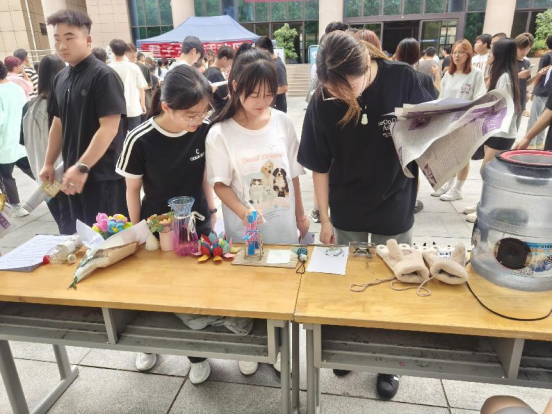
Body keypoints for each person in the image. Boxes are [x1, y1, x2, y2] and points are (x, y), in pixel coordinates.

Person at [298, 31, 433, 400]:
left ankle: (390, 361)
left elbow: (436, 126)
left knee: (396, 279)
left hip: (395, 198)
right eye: (333, 89)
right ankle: (349, 348)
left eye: (349, 87)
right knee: (348, 281)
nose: (342, 96)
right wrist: (325, 219)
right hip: (347, 204)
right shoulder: (322, 98)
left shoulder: (403, 78)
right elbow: (319, 164)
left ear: (366, 65)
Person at [116, 65, 228, 381]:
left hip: (198, 220)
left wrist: (212, 210)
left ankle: (196, 356)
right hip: (157, 226)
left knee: (194, 291)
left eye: (203, 112)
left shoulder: (204, 130)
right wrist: (137, 232)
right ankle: (148, 345)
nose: (198, 120)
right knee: (156, 291)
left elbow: (204, 175)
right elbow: (132, 189)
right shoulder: (140, 138)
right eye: (190, 115)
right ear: (166, 107)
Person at [41, 9, 128, 233]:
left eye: (69, 38)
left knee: (107, 240)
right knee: (76, 236)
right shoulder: (60, 77)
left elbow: (109, 128)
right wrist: (49, 163)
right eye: (57, 39)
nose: (62, 46)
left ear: (88, 40)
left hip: (102, 176)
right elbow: (58, 123)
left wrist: (83, 166)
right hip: (72, 174)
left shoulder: (103, 76)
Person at [465, 38, 521, 223]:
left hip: (502, 132)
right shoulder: (502, 75)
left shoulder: (505, 77)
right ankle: (483, 203)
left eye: (492, 51)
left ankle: (487, 208)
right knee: (487, 171)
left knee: (487, 171)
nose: (489, 54)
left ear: (500, 54)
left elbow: (502, 106)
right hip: (495, 131)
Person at [431, 39, 486, 202]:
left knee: (462, 156)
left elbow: (480, 98)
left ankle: (458, 189)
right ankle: (449, 185)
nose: (456, 55)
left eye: (461, 52)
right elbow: (442, 97)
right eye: (454, 52)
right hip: (448, 121)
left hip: (466, 122)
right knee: (450, 154)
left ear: (468, 54)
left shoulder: (475, 73)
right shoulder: (449, 74)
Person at [21, 54, 71, 233]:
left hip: (43, 177)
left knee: (62, 224)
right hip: (64, 175)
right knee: (73, 225)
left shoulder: (29, 107)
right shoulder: (64, 103)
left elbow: (23, 141)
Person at [0, 61, 34, 218]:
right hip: (21, 140)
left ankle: (16, 207)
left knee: (6, 176)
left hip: (4, 143)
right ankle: (56, 192)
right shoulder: (16, 88)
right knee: (35, 171)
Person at [108, 39, 147, 134]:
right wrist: (142, 104)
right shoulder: (134, 67)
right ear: (125, 51)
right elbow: (141, 88)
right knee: (135, 136)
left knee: (120, 138)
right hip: (134, 108)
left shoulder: (108, 68)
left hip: (116, 110)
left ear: (112, 51)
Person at [524, 34, 552, 149]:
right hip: (550, 94)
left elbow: (540, 74)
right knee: (544, 120)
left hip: (541, 91)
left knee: (534, 119)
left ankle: (530, 144)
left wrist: (534, 90)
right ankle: (539, 144)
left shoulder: (546, 56)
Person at [514, 82, 552, 151]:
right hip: (541, 93)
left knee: (535, 118)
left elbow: (549, 112)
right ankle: (537, 144)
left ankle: (538, 143)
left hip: (544, 93)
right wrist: (527, 138)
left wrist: (527, 138)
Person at [255, 36, 288, 113]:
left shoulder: (278, 65)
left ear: (265, 50)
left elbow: (284, 88)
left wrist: (265, 93)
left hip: (278, 108)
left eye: (259, 51)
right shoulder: (269, 63)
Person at [204, 46, 235, 114]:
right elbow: (224, 95)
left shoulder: (208, 70)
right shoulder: (216, 74)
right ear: (224, 59)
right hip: (219, 110)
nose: (230, 65)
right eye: (230, 62)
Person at [126, 45, 152, 120]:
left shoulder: (144, 67)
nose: (133, 54)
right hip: (129, 105)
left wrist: (138, 87)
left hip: (144, 102)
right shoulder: (124, 67)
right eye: (130, 52)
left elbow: (150, 85)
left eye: (135, 52)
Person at [514, 33, 533, 129]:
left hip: (521, 100)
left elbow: (526, 82)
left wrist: (526, 92)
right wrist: (518, 76)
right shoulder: (508, 61)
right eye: (521, 49)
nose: (524, 52)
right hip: (510, 100)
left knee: (516, 129)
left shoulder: (527, 62)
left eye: (527, 49)